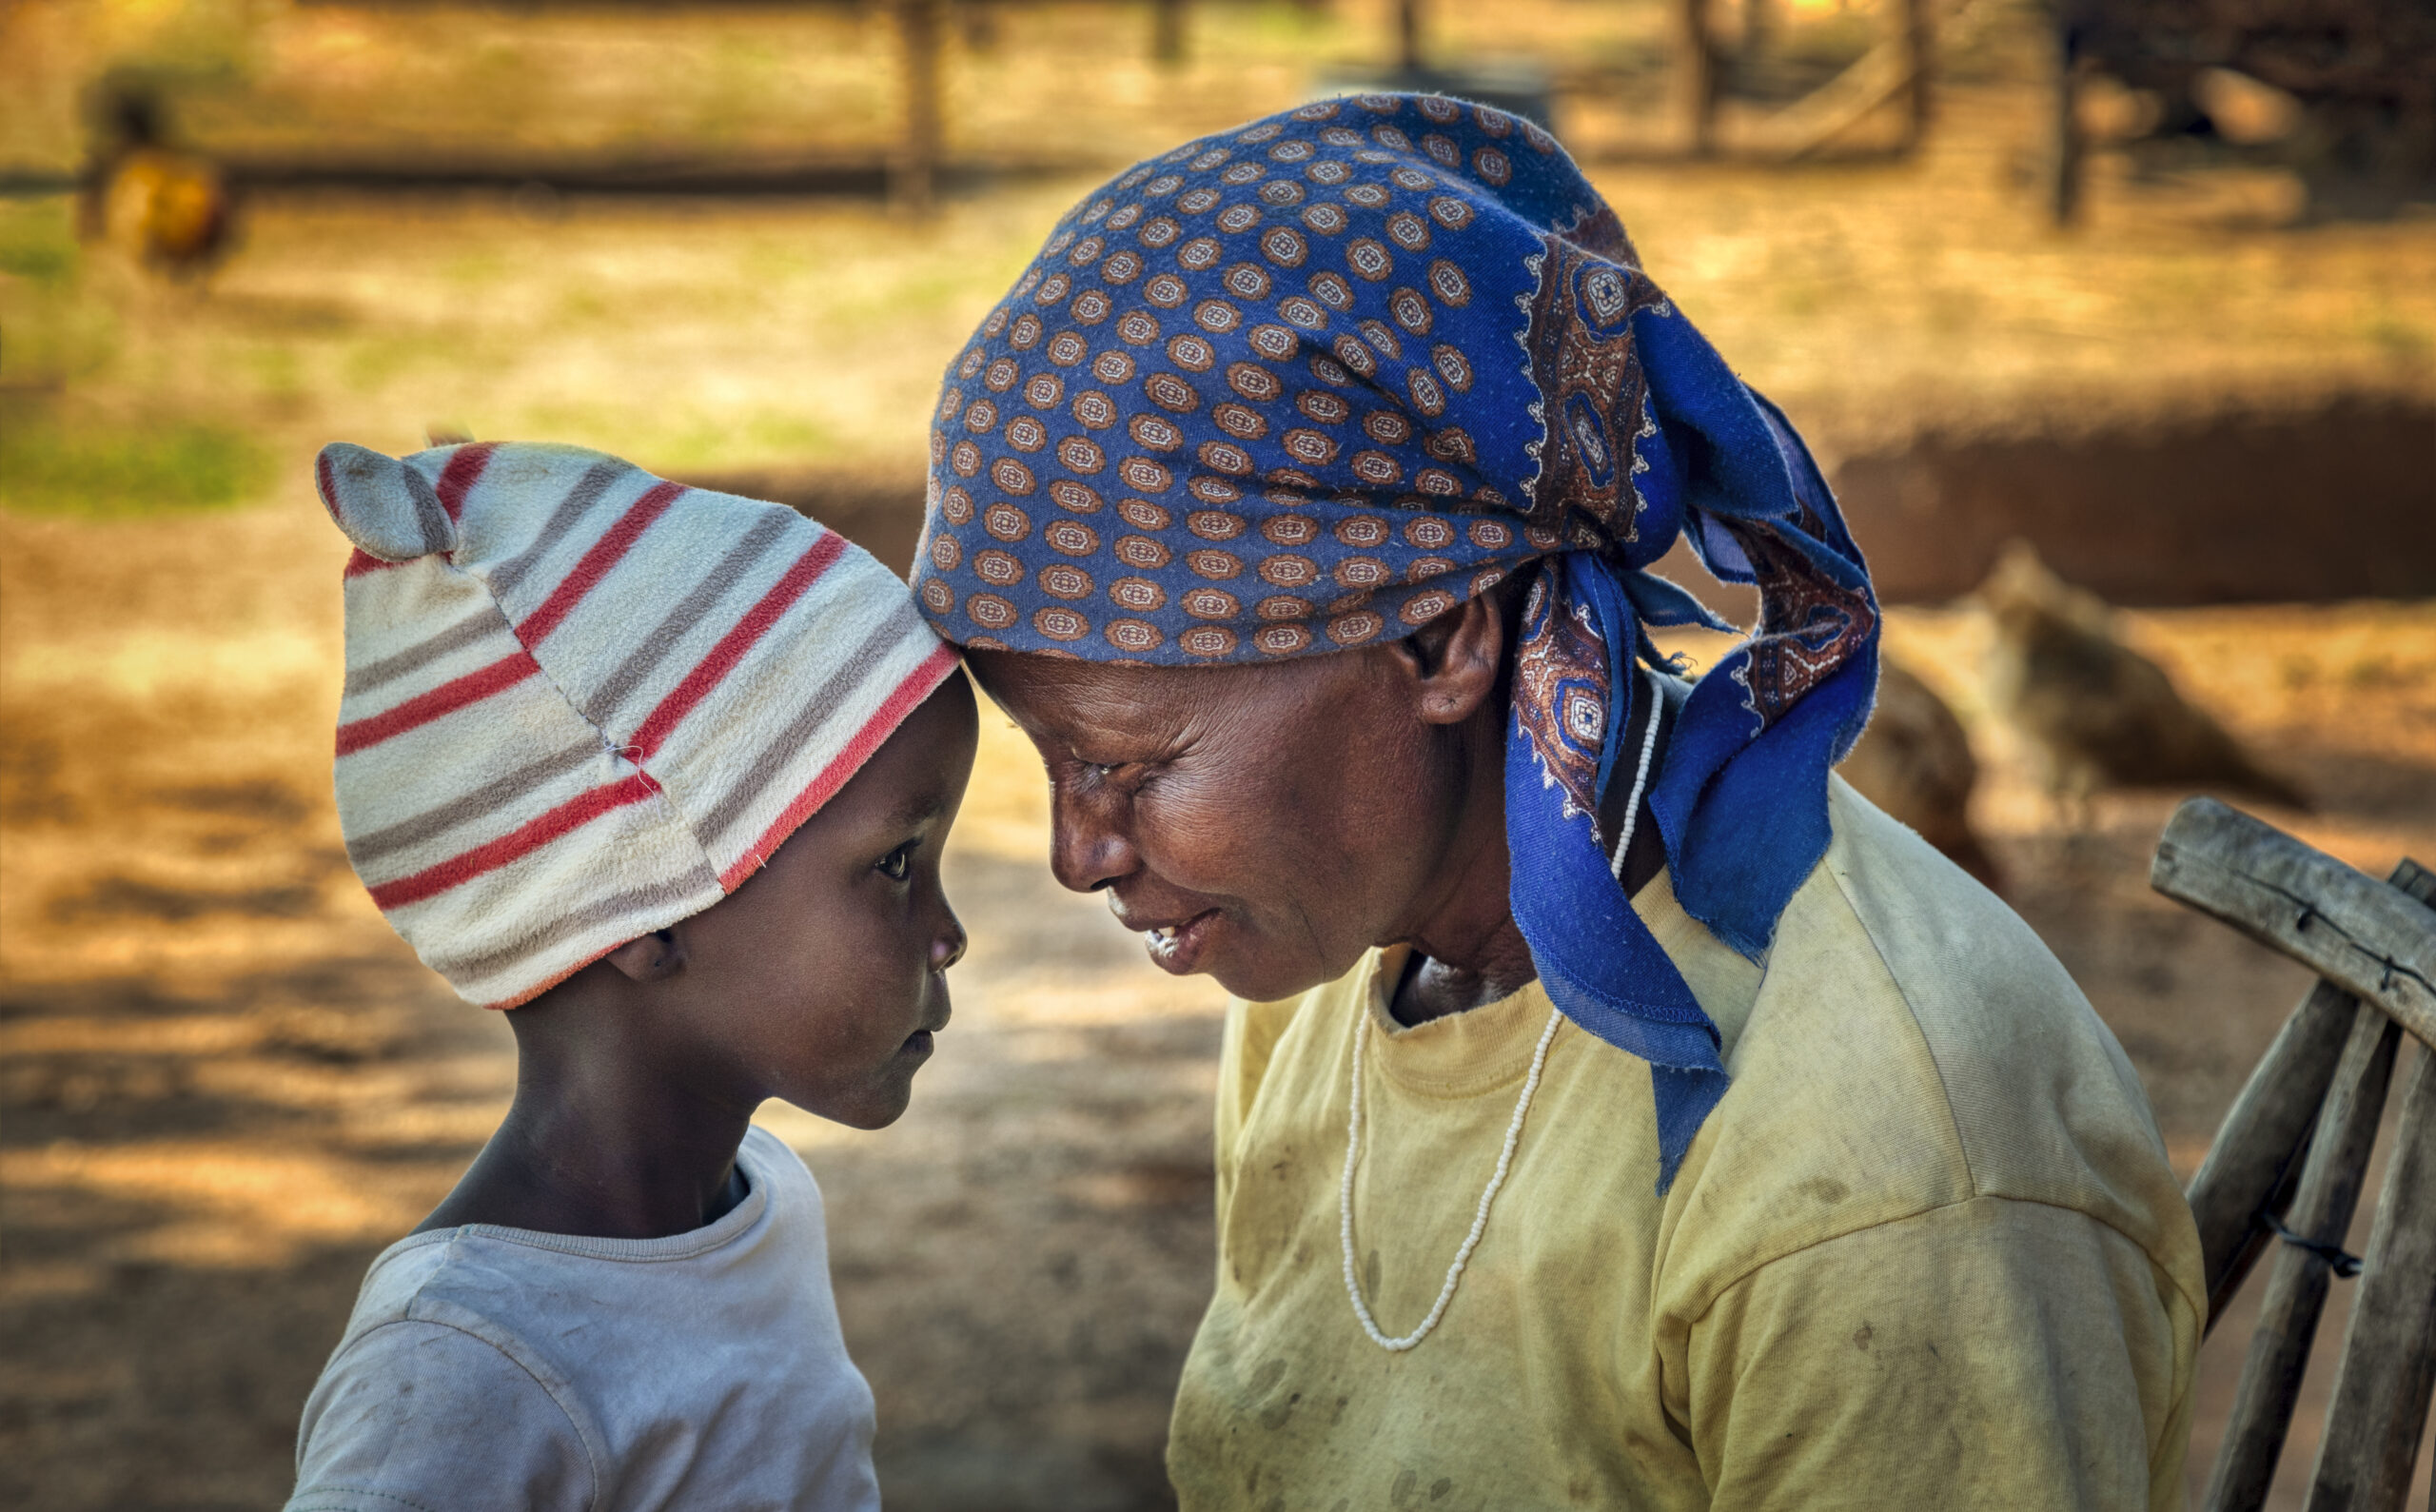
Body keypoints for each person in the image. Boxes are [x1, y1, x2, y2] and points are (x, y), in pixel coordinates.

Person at [912, 96, 2204, 1508]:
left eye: (1133, 764)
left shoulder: (1888, 1165)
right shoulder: (1328, 971)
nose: (1074, 854)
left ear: (1441, 642)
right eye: (1050, 760)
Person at [285, 440, 972, 1512]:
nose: (950, 931)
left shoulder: (760, 1201)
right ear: (642, 905)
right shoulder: (463, 1365)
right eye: (895, 864)